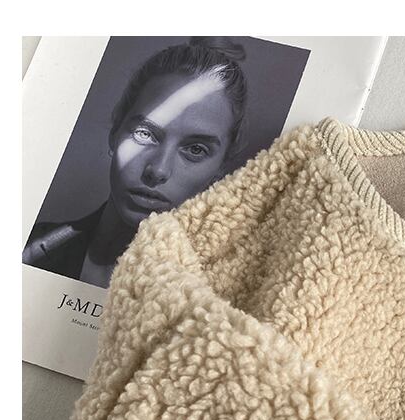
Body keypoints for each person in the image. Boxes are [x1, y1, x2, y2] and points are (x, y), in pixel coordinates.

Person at [22, 36, 249, 288]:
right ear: (115, 132)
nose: (158, 169)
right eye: (145, 133)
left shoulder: (214, 294)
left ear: (220, 168)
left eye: (196, 149)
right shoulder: (28, 247)